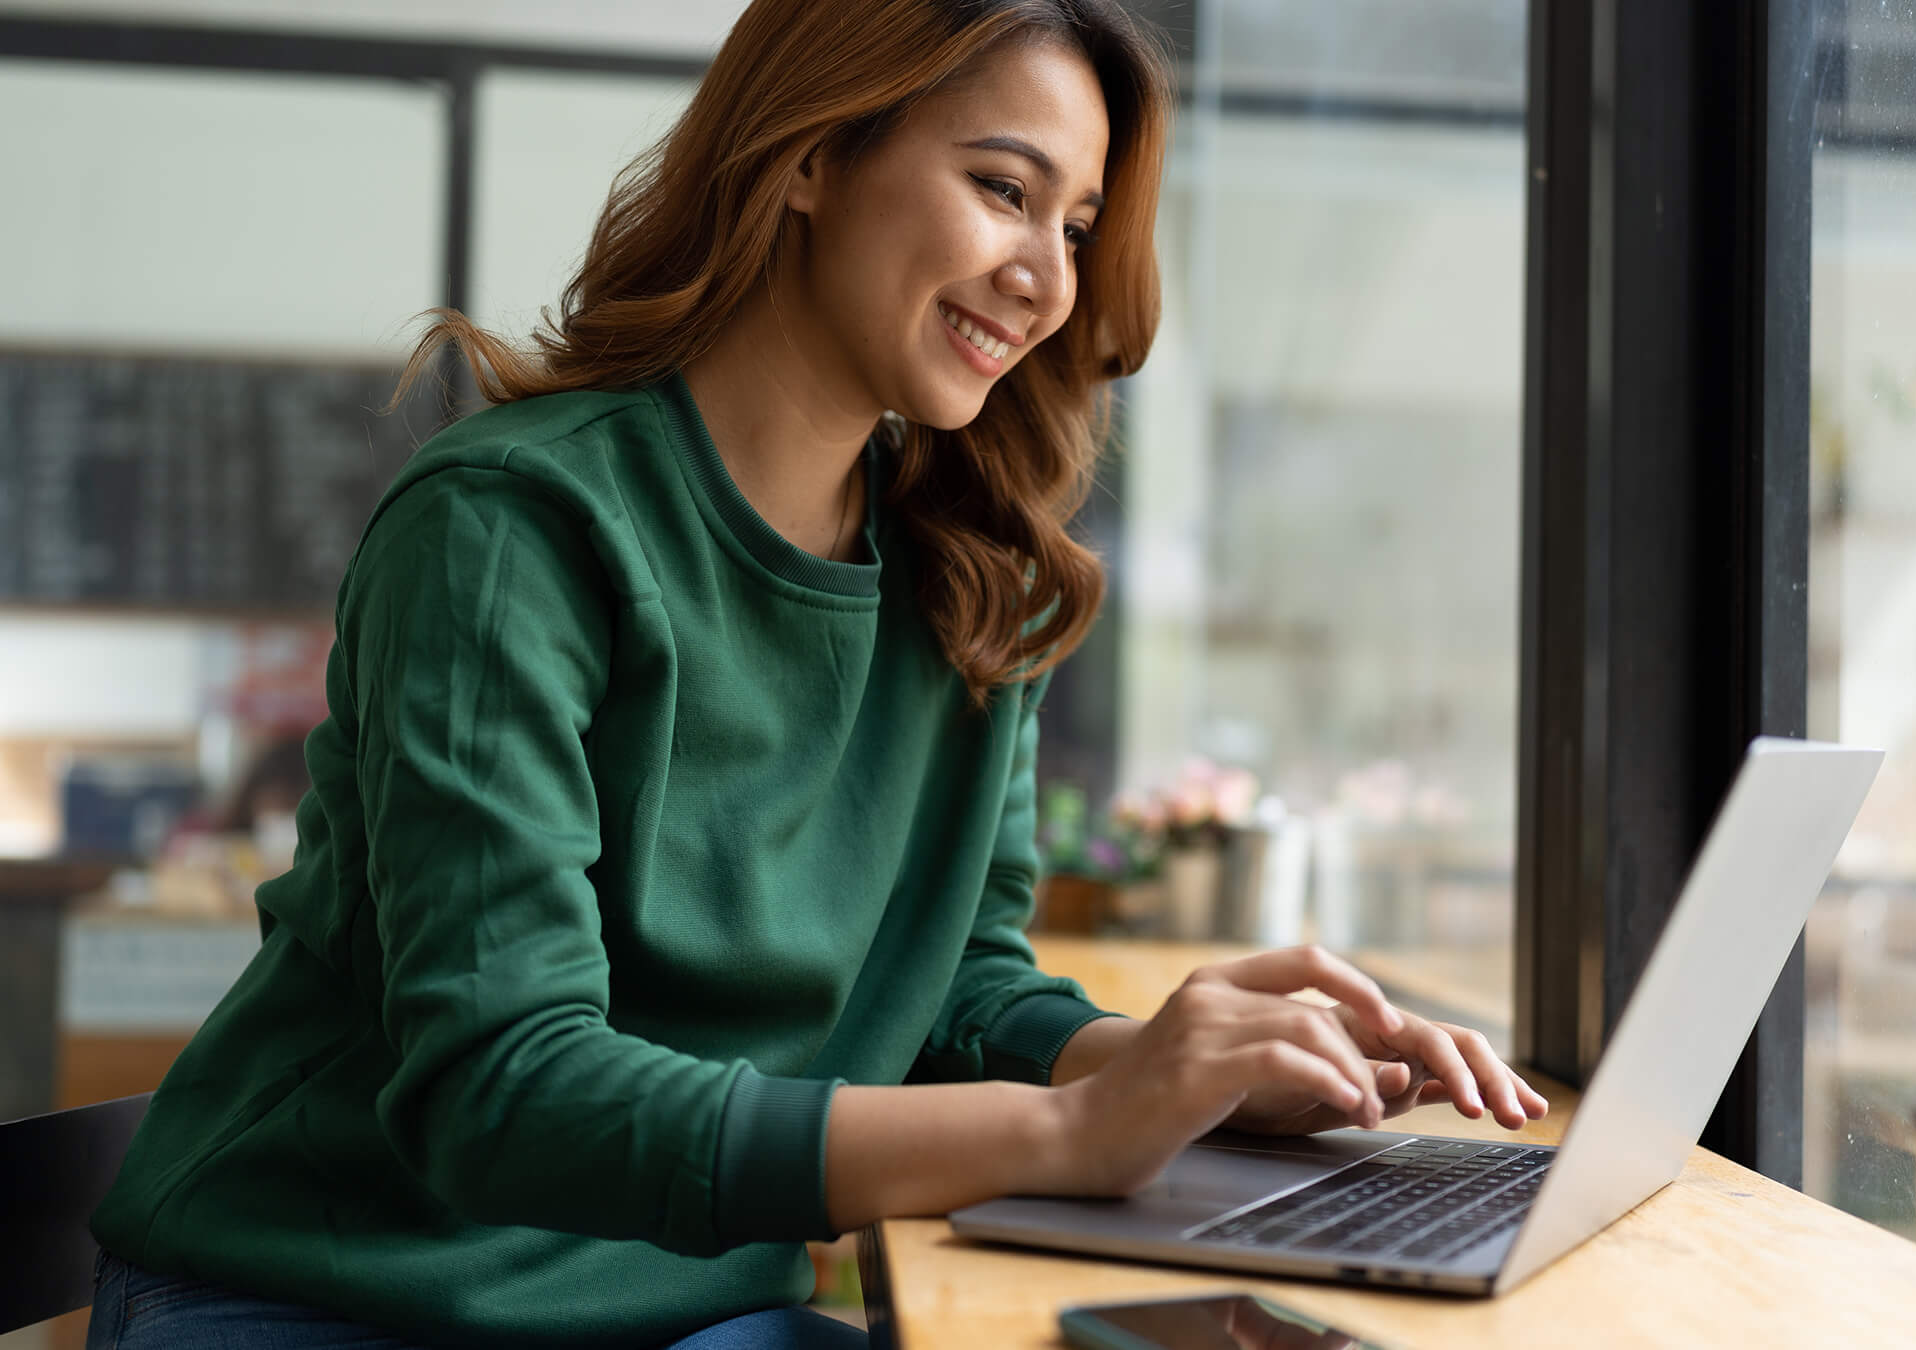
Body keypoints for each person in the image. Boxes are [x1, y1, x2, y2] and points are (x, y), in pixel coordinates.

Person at [84, 3, 1546, 1347]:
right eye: (1003, 189)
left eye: (1080, 223)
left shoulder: (974, 573)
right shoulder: (508, 532)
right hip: (333, 1298)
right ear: (810, 156)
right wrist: (1063, 1135)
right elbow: (504, 1087)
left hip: (691, 1310)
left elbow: (954, 988)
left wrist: (1176, 1065)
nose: (1048, 279)